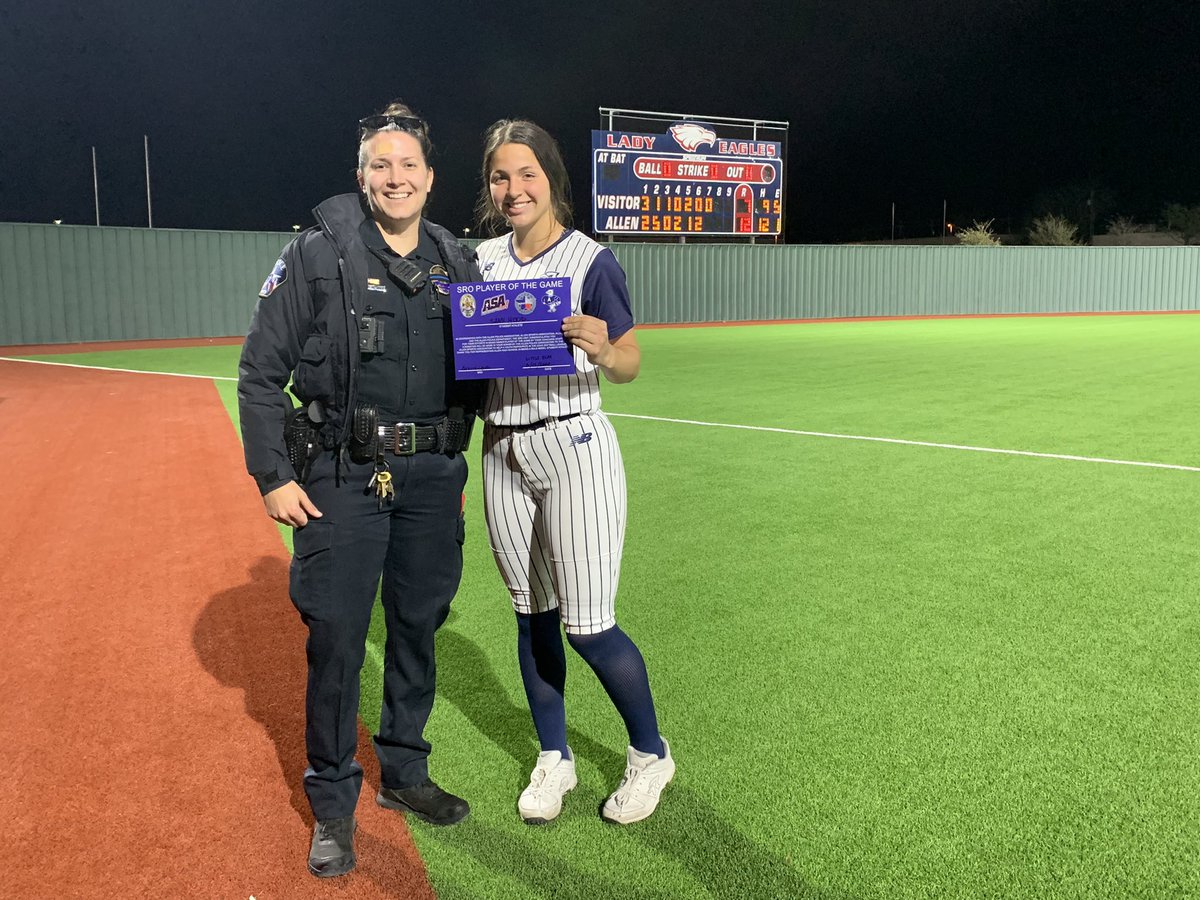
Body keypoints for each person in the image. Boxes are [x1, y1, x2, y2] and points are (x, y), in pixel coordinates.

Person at [238, 101, 480, 878]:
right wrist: (273, 475)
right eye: (382, 163)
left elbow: (478, 374)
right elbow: (258, 373)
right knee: (338, 640)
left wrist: (456, 465)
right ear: (362, 174)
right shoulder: (316, 254)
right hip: (342, 471)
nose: (396, 176)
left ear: (431, 177)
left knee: (416, 630)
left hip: (433, 477)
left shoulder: (457, 259)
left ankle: (404, 774)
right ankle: (334, 802)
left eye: (409, 164)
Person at [473, 119, 674, 826]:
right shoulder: (483, 260)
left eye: (526, 173)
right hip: (501, 447)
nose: (513, 188)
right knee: (533, 618)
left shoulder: (591, 260)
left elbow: (629, 363)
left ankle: (650, 753)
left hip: (572, 443)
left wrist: (603, 346)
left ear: (552, 179)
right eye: (500, 176)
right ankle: (554, 756)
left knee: (588, 626)